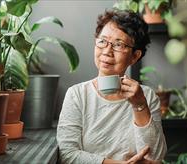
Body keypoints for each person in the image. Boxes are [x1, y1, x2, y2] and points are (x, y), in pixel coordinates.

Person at [56, 9, 167, 164]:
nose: (107, 51)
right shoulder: (77, 94)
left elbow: (155, 157)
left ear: (135, 56)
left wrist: (139, 105)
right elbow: (67, 155)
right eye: (102, 41)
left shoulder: (146, 97)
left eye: (119, 44)